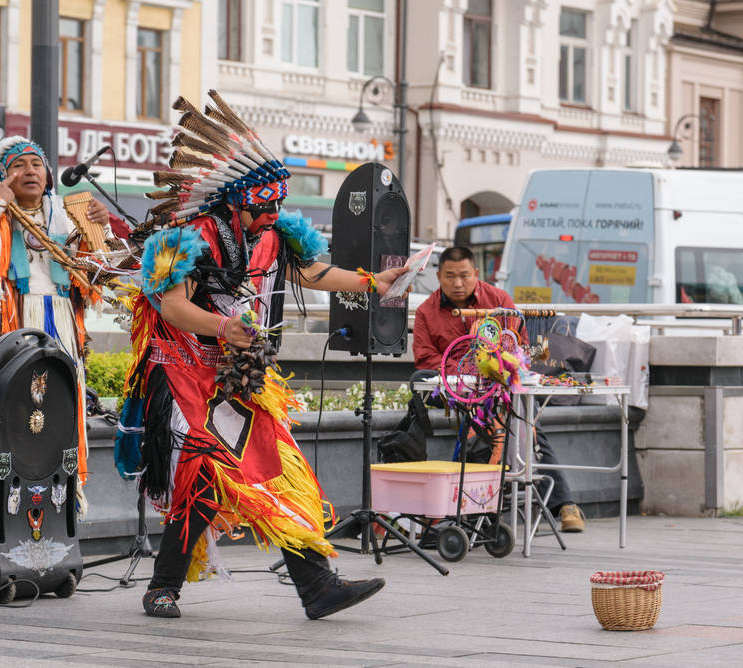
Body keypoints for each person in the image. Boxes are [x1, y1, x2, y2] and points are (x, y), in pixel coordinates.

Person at [116, 90, 410, 620]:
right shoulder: (186, 239)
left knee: (281, 468)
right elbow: (173, 307)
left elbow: (314, 273)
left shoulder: (272, 234)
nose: (271, 215)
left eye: (277, 206)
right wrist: (224, 326)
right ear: (235, 201)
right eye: (263, 206)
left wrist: (372, 281)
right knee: (202, 470)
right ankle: (164, 586)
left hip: (239, 377)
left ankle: (317, 587)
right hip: (182, 372)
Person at [0, 135, 118, 499]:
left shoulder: (67, 215)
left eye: (37, 164)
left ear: (48, 175)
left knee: (60, 412)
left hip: (61, 324)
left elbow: (105, 271)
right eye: (18, 166)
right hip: (14, 326)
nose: (29, 171)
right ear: (2, 177)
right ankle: (10, 494)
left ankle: (63, 497)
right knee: (13, 413)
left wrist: (101, 228)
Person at [412, 246, 586, 533]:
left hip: (499, 389)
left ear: (476, 274)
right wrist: (467, 369)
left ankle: (561, 503)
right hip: (454, 390)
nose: (457, 283)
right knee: (495, 419)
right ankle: (552, 502)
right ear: (438, 275)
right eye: (450, 276)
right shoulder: (426, 312)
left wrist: (496, 368)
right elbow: (425, 358)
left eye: (464, 276)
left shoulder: (499, 300)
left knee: (525, 422)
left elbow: (520, 346)